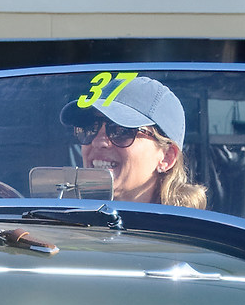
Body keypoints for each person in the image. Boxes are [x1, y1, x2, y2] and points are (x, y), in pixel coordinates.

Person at [56, 75, 208, 208]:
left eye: (121, 131)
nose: (98, 142)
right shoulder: (59, 229)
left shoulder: (188, 238)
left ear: (167, 157)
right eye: (89, 128)